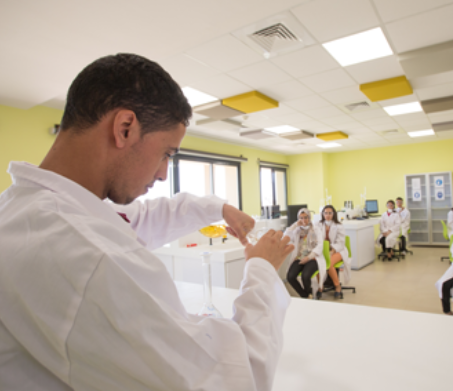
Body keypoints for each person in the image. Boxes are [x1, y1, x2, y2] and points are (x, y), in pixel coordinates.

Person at [0, 53, 294, 391]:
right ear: (125, 128)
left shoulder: (23, 210)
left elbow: (136, 220)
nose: (162, 173)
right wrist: (261, 269)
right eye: (167, 154)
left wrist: (218, 208)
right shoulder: (95, 259)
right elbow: (236, 378)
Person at [285, 208, 324, 299]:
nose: (303, 220)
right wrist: (294, 225)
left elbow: (320, 246)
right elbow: (285, 237)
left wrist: (309, 257)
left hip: (313, 258)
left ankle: (308, 294)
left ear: (309, 217)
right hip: (299, 257)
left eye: (305, 217)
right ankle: (306, 296)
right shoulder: (297, 230)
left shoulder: (316, 229)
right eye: (301, 218)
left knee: (305, 276)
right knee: (290, 277)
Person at [314, 205, 351, 299]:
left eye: (330, 213)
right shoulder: (318, 224)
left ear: (333, 214)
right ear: (322, 214)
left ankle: (337, 285)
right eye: (325, 213)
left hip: (338, 250)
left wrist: (332, 250)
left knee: (328, 263)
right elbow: (314, 238)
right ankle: (320, 286)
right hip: (323, 250)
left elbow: (341, 242)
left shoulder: (339, 226)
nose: (328, 215)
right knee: (317, 262)